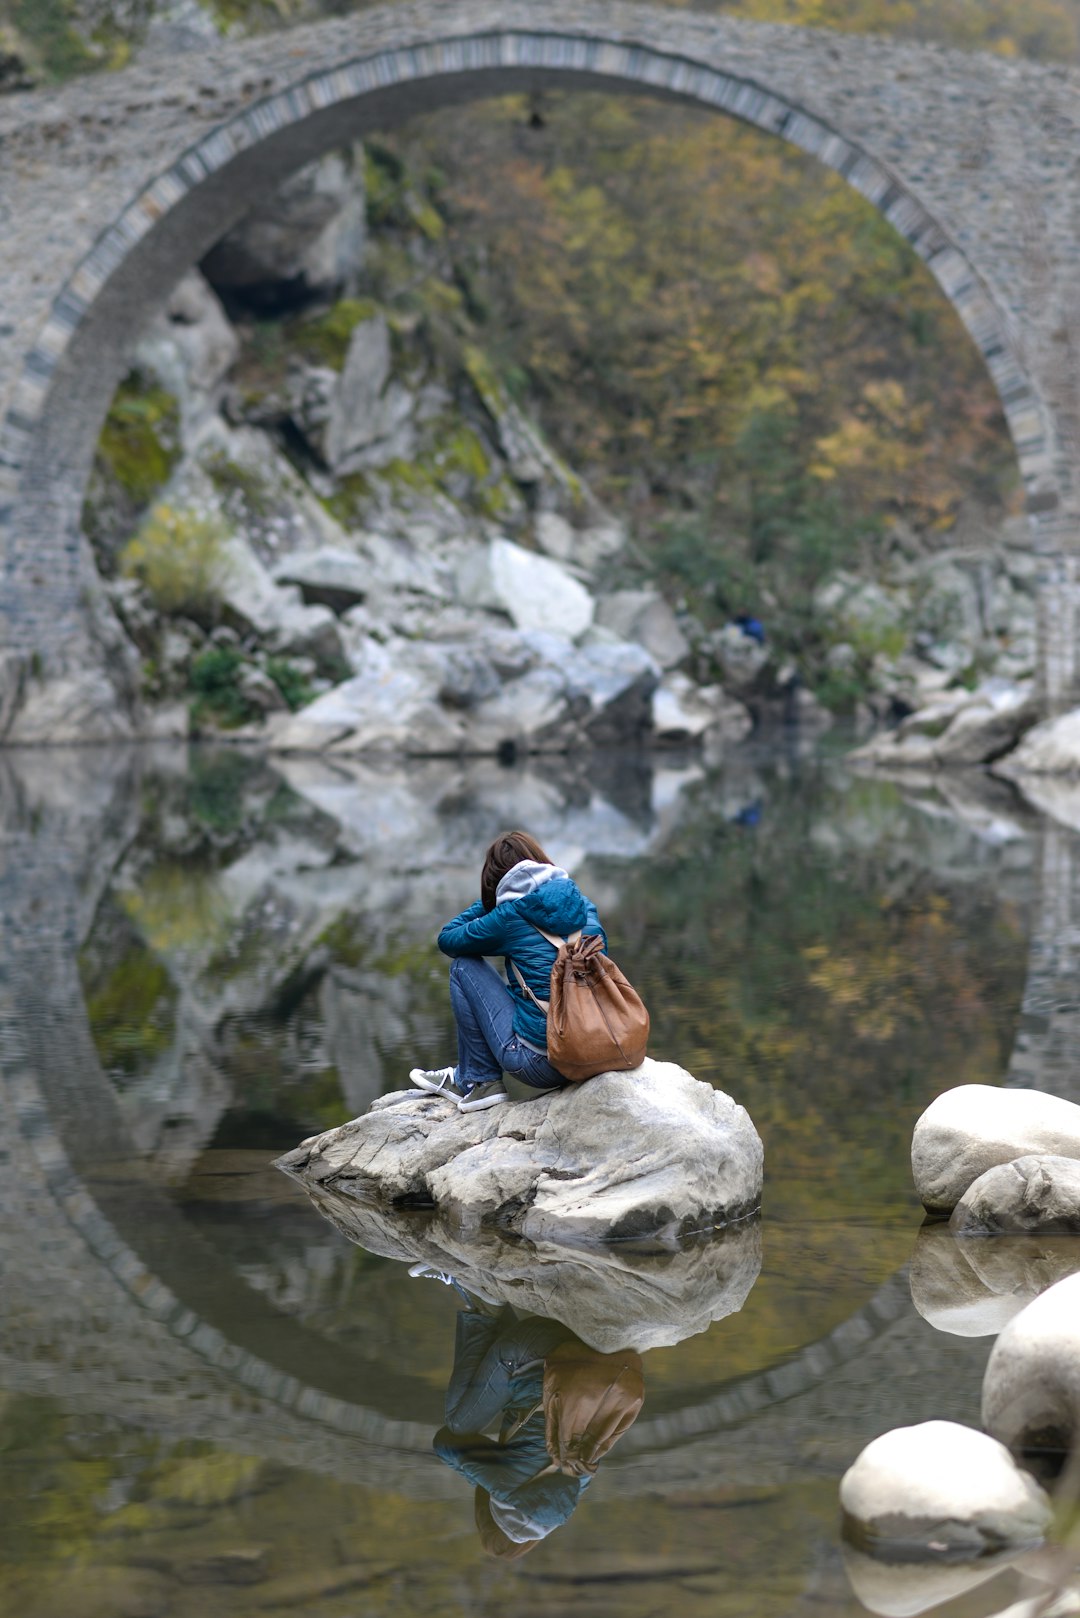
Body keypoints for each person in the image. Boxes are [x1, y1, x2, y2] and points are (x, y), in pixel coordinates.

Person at [409, 830, 606, 1113]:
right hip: (596, 1051)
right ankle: (472, 1077)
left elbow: (448, 939)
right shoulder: (583, 905)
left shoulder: (511, 915)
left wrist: (492, 902)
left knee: (463, 967)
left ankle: (477, 1081)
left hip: (541, 1064)